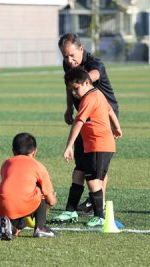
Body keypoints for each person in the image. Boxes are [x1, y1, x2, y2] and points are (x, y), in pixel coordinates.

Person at [53, 33, 119, 223]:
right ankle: (75, 208)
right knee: (81, 165)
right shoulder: (69, 65)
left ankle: (100, 207)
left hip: (102, 118)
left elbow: (90, 78)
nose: (69, 60)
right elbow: (70, 85)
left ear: (81, 49)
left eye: (72, 55)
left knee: (97, 167)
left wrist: (82, 80)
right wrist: (68, 108)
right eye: (65, 56)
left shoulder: (95, 64)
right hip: (83, 116)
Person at [62, 68, 122, 226]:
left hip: (99, 145)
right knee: (78, 173)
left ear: (86, 82)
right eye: (71, 90)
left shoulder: (89, 99)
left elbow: (78, 122)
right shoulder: (97, 94)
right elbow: (110, 111)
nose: (74, 93)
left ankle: (100, 216)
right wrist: (117, 127)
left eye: (76, 88)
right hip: (93, 145)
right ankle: (70, 211)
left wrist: (69, 146)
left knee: (93, 179)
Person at [0, 132, 58, 240]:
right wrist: (51, 202)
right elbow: (51, 200)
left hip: (1, 209)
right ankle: (41, 228)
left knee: (15, 202)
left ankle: (9, 226)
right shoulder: (38, 166)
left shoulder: (6, 163)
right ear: (34, 152)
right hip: (24, 204)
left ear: (13, 151)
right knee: (40, 190)